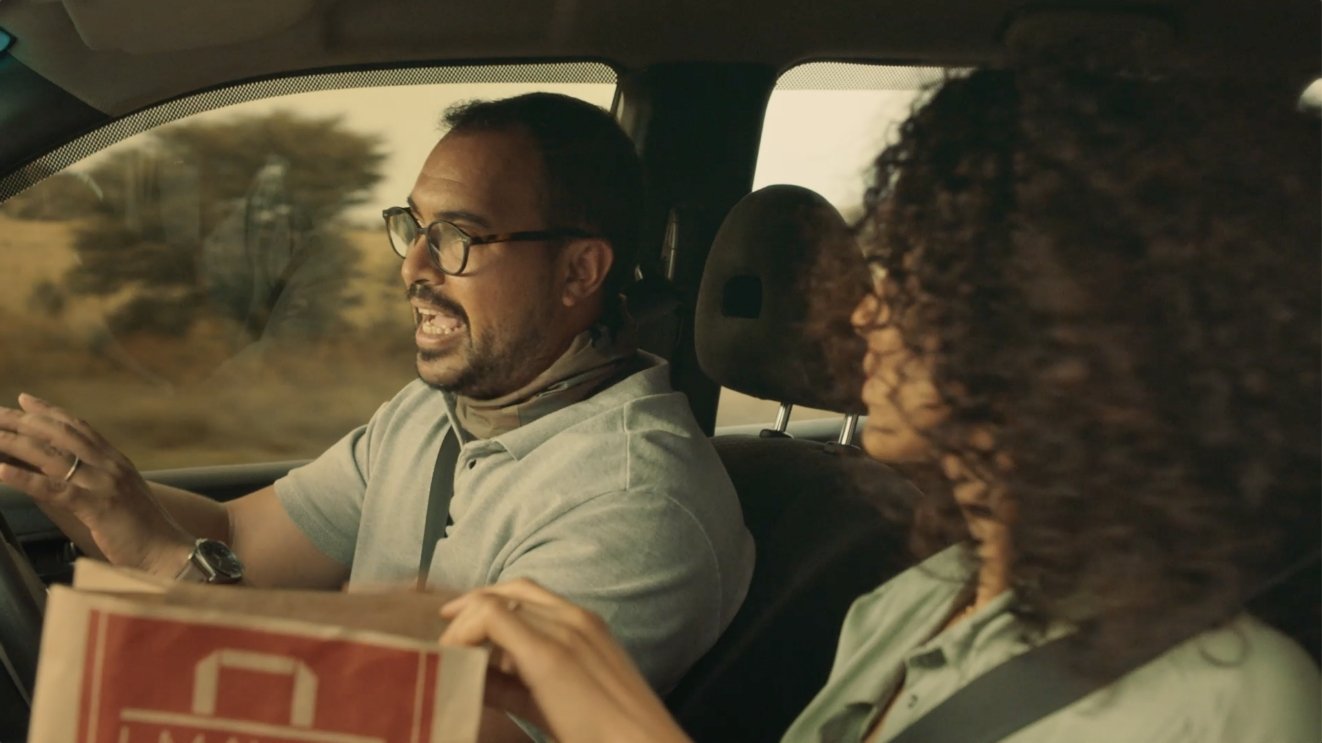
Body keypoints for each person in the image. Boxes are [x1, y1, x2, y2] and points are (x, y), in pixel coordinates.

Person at [433, 65, 1322, 742]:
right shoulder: (919, 597)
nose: (864, 310)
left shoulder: (1232, 696)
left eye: (916, 277)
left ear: (1072, 329)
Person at [0, 93, 754, 741]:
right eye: (412, 227)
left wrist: (166, 562)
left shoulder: (635, 504)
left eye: (456, 238)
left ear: (579, 271)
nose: (413, 268)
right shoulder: (436, 412)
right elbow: (237, 543)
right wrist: (75, 485)